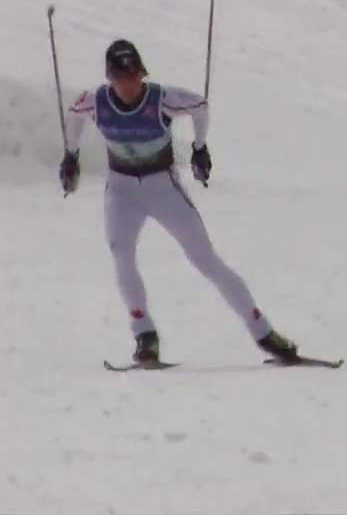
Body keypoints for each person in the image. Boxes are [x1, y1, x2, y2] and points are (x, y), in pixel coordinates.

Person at [59, 40, 299, 366]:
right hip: (121, 191)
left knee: (205, 260)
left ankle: (264, 333)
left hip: (163, 188)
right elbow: (74, 116)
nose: (130, 85)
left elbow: (199, 105)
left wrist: (200, 147)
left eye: (135, 76)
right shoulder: (96, 100)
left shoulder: (161, 98)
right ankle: (145, 335)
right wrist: (70, 156)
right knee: (122, 254)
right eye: (122, 78)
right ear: (110, 78)